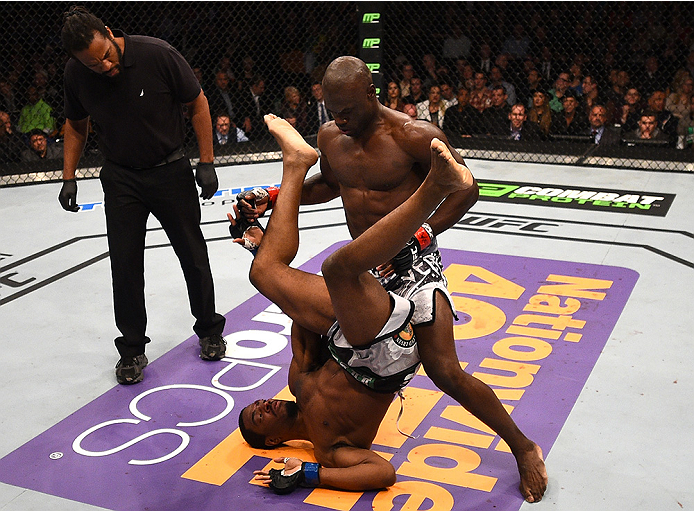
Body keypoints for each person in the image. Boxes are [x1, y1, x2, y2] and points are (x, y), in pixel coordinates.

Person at [236, 57, 547, 502]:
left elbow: (469, 188)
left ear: (371, 94)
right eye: (332, 112)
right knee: (278, 276)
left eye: (347, 110)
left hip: (413, 266)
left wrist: (428, 231)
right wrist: (273, 198)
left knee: (446, 373)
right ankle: (293, 167)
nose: (339, 120)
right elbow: (331, 184)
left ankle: (523, 446)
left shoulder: (415, 135)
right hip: (362, 274)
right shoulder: (331, 136)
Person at [58, 5, 227, 385]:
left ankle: (210, 330)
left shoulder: (158, 53)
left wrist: (206, 160)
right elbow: (75, 124)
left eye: (105, 55)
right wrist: (68, 176)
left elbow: (197, 102)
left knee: (192, 254)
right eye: (92, 64)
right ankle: (132, 350)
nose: (103, 66)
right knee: (125, 265)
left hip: (170, 170)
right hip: (121, 179)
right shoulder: (76, 74)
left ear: (108, 31)